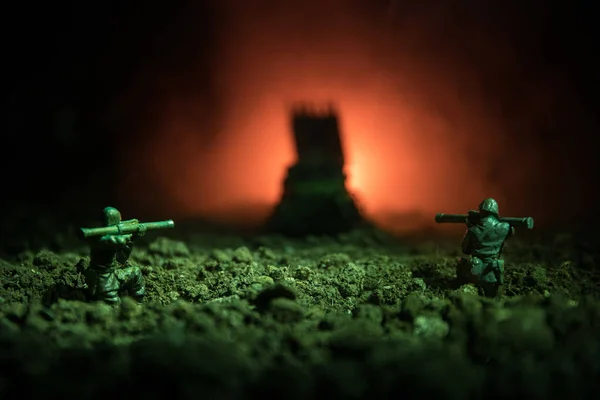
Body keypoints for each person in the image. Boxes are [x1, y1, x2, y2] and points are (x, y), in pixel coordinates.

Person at [83, 207, 146, 305]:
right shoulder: (101, 238)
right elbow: (119, 242)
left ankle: (138, 304)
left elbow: (121, 258)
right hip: (103, 278)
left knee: (135, 272)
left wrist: (134, 235)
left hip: (114, 273)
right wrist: (129, 234)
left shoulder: (108, 235)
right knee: (113, 306)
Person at [456, 198, 515, 297]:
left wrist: (470, 226)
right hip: (493, 272)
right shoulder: (505, 227)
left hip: (475, 271)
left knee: (461, 264)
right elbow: (511, 232)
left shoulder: (473, 230)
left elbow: (465, 250)